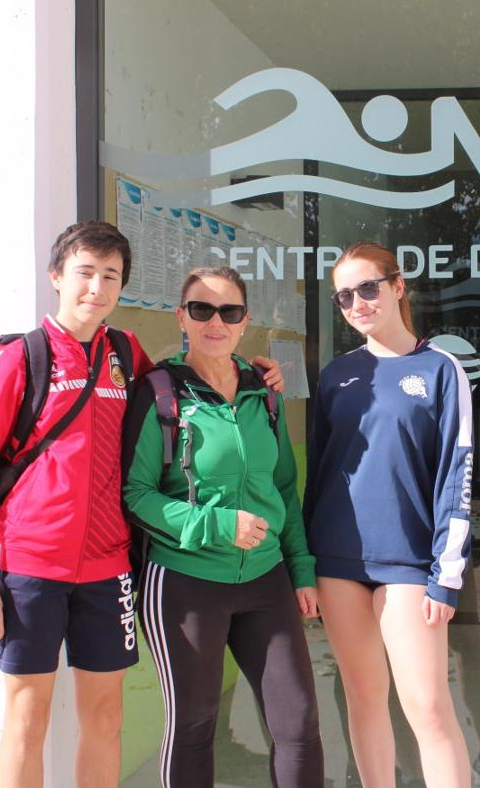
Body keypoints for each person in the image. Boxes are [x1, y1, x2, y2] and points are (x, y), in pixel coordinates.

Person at [0, 223, 282, 788]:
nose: (96, 288)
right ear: (57, 277)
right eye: (84, 273)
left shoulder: (125, 355)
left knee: (106, 717)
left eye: (110, 277)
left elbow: (188, 381)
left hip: (108, 570)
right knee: (29, 717)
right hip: (31, 569)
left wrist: (252, 372)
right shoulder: (21, 358)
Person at [122, 266, 323, 788]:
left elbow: (283, 487)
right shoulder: (160, 394)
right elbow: (136, 494)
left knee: (298, 723)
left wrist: (301, 569)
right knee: (194, 725)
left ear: (244, 322)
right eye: (201, 309)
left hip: (266, 578)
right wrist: (216, 526)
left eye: (229, 311)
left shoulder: (265, 394)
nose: (215, 322)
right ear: (181, 317)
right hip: (185, 583)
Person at [305, 241, 474, 788]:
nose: (358, 302)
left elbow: (458, 474)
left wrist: (446, 575)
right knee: (363, 699)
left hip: (409, 561)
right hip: (336, 559)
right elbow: (320, 472)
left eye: (368, 288)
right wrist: (303, 563)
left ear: (398, 287)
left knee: (426, 706)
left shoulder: (441, 369)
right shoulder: (335, 375)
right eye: (345, 295)